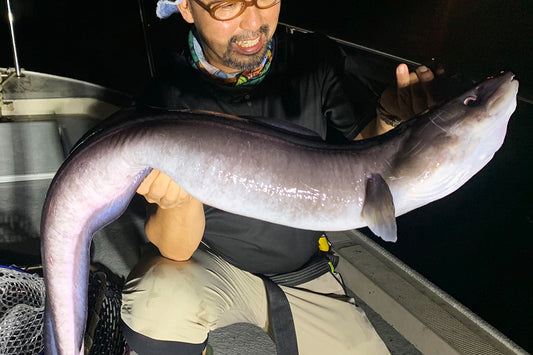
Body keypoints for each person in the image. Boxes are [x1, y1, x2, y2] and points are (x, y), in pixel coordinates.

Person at [120, 0, 437, 354]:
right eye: (226, 4)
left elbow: (369, 154)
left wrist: (392, 117)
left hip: (307, 271)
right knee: (158, 305)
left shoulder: (313, 57)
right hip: (214, 267)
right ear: (187, 7)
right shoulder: (161, 100)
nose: (254, 21)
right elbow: (176, 248)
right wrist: (177, 201)